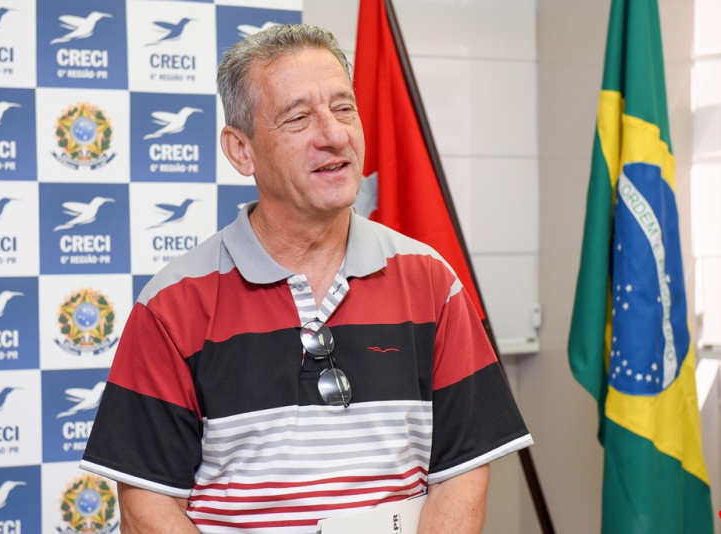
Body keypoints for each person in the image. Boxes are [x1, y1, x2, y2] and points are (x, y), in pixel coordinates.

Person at [81, 23, 532, 533]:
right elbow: (147, 507)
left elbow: (463, 476)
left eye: (344, 109)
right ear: (241, 150)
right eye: (298, 118)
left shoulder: (432, 282)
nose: (334, 135)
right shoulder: (172, 304)